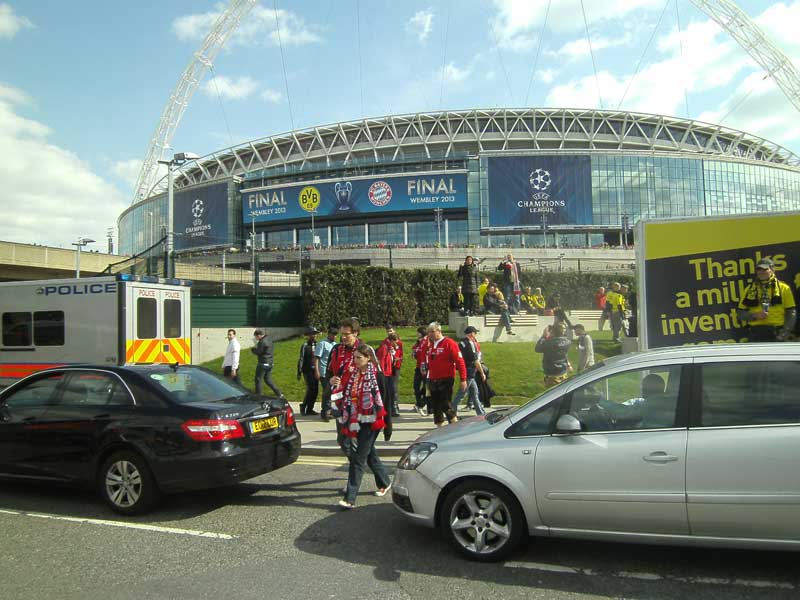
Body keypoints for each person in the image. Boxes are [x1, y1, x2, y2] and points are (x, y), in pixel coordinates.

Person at [337, 343, 393, 509]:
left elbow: (387, 401)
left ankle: (350, 498)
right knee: (369, 454)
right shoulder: (354, 375)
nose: (355, 361)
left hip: (373, 422)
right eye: (354, 357)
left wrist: (388, 426)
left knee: (358, 458)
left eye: (359, 358)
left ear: (369, 358)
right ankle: (384, 481)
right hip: (357, 420)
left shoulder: (378, 376)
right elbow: (346, 394)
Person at [737, 257, 797, 342]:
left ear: (772, 270)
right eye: (759, 269)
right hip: (756, 332)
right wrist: (754, 315)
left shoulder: (784, 288)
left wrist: (784, 333)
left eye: (765, 269)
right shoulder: (749, 289)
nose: (761, 272)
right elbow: (740, 313)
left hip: (776, 332)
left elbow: (791, 312)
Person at [425, 321, 467, 427]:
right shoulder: (430, 345)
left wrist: (463, 379)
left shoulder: (449, 343)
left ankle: (455, 425)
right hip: (433, 379)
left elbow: (459, 361)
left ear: (439, 331)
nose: (429, 334)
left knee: (445, 404)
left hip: (446, 378)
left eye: (432, 332)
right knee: (436, 405)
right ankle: (439, 428)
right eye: (428, 332)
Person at [452, 326, 486, 416]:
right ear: (471, 333)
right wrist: (482, 373)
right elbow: (475, 360)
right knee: (462, 393)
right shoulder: (470, 343)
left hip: (465, 369)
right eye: (475, 333)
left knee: (475, 393)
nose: (475, 335)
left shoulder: (461, 343)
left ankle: (481, 413)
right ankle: (452, 411)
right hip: (470, 370)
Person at [535, 322, 573, 388]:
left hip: (551, 373)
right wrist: (568, 364)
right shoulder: (568, 342)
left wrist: (544, 336)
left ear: (553, 331)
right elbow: (564, 354)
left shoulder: (548, 343)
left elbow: (537, 349)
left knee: (552, 394)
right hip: (563, 371)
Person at [251, 329, 284, 398]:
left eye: (256, 337)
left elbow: (259, 352)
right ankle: (279, 393)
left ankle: (258, 395)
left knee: (258, 379)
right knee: (268, 380)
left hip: (263, 363)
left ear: (259, 335)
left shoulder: (262, 342)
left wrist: (253, 349)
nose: (256, 338)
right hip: (270, 363)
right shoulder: (269, 339)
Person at [314, 326, 338, 421]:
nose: (334, 337)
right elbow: (316, 358)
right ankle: (325, 412)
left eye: (336, 335)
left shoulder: (335, 345)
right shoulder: (322, 344)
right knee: (326, 392)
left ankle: (328, 410)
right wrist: (317, 371)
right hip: (324, 372)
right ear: (329, 334)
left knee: (331, 393)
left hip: (332, 373)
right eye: (333, 335)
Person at [376, 332, 401, 417]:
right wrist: (381, 373)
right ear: (391, 340)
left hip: (389, 372)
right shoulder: (384, 347)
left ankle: (391, 409)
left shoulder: (389, 347)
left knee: (391, 391)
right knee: (389, 392)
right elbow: (381, 361)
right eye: (395, 342)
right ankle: (388, 409)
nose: (396, 344)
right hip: (385, 373)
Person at [296, 326, 319, 416]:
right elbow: (301, 359)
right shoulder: (305, 346)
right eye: (312, 334)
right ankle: (303, 405)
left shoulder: (318, 345)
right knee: (310, 389)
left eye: (315, 334)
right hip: (307, 370)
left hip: (315, 370)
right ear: (308, 335)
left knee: (315, 390)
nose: (314, 336)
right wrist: (299, 371)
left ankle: (310, 408)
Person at [411, 326, 429, 416]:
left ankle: (421, 404)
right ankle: (418, 404)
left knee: (427, 388)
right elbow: (415, 350)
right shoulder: (419, 342)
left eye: (418, 332)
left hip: (426, 367)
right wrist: (414, 352)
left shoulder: (427, 341)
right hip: (419, 367)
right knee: (416, 386)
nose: (416, 334)